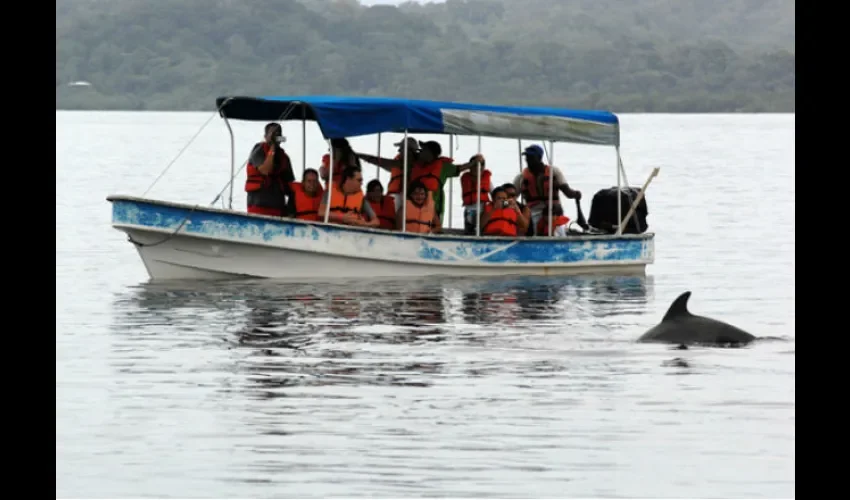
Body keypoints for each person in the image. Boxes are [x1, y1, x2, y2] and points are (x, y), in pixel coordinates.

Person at [512, 144, 581, 234]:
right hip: (533, 212)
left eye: (531, 157)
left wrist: (576, 194)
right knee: (534, 230)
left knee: (557, 230)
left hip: (554, 211)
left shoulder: (554, 172)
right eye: (527, 157)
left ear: (539, 157)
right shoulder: (521, 177)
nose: (528, 160)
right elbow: (512, 197)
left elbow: (567, 192)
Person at [244, 122, 295, 216]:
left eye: (278, 134)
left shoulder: (284, 157)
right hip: (258, 208)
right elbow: (265, 170)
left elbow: (291, 185)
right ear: (265, 136)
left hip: (278, 209)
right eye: (273, 134)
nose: (276, 137)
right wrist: (272, 147)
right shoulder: (258, 149)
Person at [460, 155, 492, 235]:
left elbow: (495, 193)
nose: (478, 168)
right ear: (470, 166)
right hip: (470, 210)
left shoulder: (487, 180)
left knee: (481, 232)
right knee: (470, 232)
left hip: (482, 210)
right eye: (475, 165)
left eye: (481, 165)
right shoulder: (466, 178)